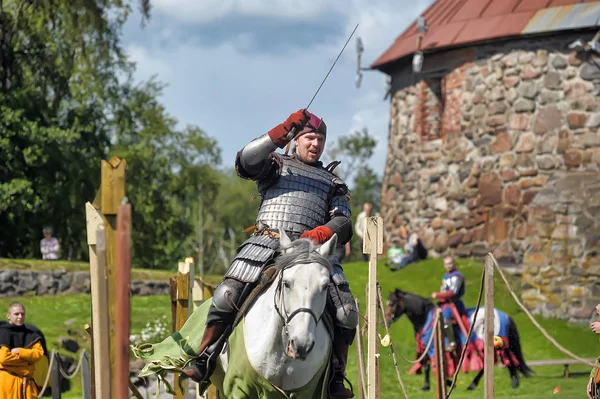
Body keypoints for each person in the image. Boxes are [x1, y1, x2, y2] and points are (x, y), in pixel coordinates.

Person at [182, 109, 358, 398]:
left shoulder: (333, 182)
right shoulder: (277, 165)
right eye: (310, 138)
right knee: (227, 294)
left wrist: (321, 233)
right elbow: (245, 162)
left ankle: (336, 377)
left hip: (312, 255)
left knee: (347, 314)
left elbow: (344, 220)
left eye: (320, 140)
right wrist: (277, 134)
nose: (315, 144)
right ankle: (206, 355)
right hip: (265, 245)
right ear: (297, 140)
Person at [0, 302, 46, 398]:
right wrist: (27, 364)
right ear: (8, 316)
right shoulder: (3, 332)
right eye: (16, 314)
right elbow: (4, 358)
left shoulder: (31, 334)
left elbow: (38, 354)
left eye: (22, 314)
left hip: (27, 384)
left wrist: (21, 351)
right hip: (8, 383)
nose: (20, 317)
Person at [431, 256, 465, 352]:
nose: (449, 266)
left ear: (454, 263)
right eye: (446, 264)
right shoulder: (446, 275)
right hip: (445, 302)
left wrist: (438, 295)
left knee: (445, 319)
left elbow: (452, 292)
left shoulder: (456, 276)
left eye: (450, 263)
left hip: (454, 303)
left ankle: (452, 343)